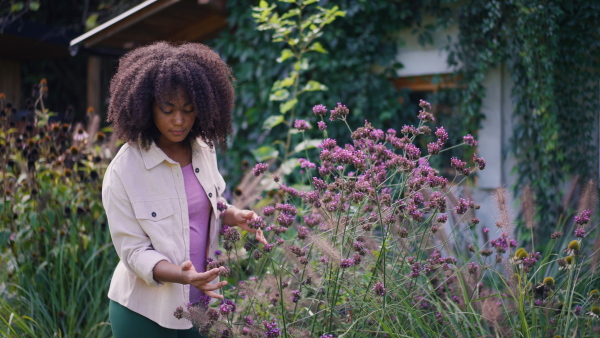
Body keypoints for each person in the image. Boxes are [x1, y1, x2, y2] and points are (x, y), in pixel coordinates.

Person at [101, 41, 267, 338]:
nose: (179, 120)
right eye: (168, 110)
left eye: (189, 110)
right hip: (145, 313)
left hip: (202, 304)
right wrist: (182, 275)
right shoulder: (124, 171)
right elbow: (134, 253)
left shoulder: (203, 148)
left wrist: (234, 215)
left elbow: (206, 204)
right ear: (146, 106)